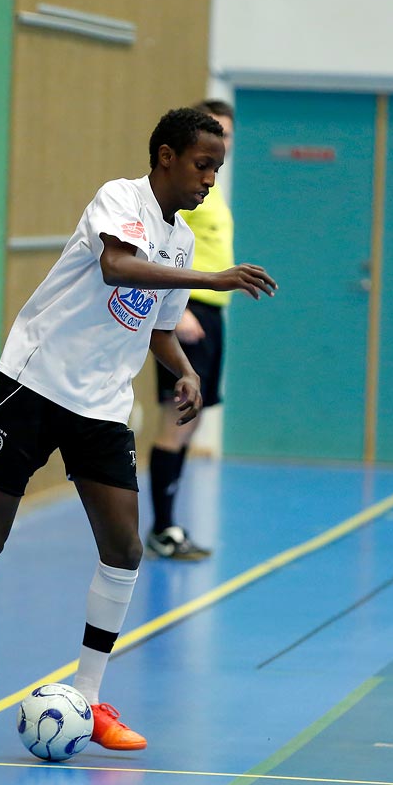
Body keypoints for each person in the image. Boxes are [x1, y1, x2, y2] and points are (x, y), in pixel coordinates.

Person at [0, 108, 278, 751]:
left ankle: (92, 696)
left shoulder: (181, 241)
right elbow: (118, 268)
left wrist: (184, 371)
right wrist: (214, 278)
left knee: (124, 549)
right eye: (202, 164)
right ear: (165, 155)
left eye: (218, 168)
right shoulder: (119, 198)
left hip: (102, 403)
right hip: (35, 381)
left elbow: (157, 327)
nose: (210, 179)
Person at [147, 99, 236, 561]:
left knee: (193, 419)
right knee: (175, 420)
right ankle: (162, 528)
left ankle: (170, 524)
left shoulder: (211, 189)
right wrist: (173, 310)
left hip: (211, 312)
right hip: (187, 309)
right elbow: (158, 242)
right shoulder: (183, 191)